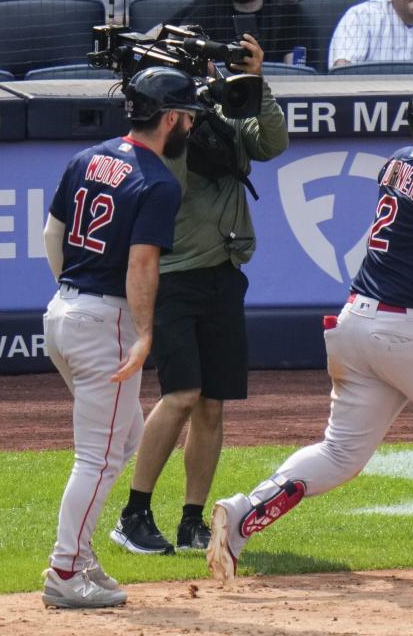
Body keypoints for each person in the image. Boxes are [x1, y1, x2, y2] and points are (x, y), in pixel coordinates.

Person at [206, 78, 413, 592]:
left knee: (339, 455)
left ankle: (242, 511)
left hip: (356, 324)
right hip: (407, 329)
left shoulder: (399, 160)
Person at [109, 35, 288, 555]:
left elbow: (271, 143)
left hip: (223, 273)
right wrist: (194, 115)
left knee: (212, 404)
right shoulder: (164, 128)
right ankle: (134, 513)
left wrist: (256, 83)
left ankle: (191, 520)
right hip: (174, 278)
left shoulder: (224, 113)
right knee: (181, 395)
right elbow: (176, 176)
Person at [40, 66, 204, 608]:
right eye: (188, 116)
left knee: (127, 437)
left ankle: (81, 556)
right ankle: (65, 570)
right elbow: (141, 263)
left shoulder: (88, 157)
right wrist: (143, 333)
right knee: (100, 457)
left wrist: (74, 293)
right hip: (100, 320)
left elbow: (52, 233)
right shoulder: (155, 180)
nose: (191, 126)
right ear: (172, 117)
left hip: (63, 310)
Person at [172, 0, 300, 65]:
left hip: (274, 89)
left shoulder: (286, 9)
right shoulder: (207, 4)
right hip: (218, 90)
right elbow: (177, 40)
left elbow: (296, 66)